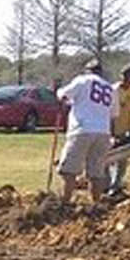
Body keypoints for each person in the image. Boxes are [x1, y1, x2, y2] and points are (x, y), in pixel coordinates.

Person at [55, 58, 114, 206]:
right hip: (103, 132)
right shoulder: (109, 88)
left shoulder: (83, 80)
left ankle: (65, 203)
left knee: (69, 171)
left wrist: (58, 91)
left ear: (87, 71)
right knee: (96, 173)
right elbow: (113, 113)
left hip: (82, 130)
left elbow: (63, 95)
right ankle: (95, 204)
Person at [109, 64, 130, 192]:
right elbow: (109, 113)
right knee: (108, 157)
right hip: (111, 129)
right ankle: (106, 184)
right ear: (127, 76)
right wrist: (111, 134)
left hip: (125, 129)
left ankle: (116, 185)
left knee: (123, 158)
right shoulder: (114, 91)